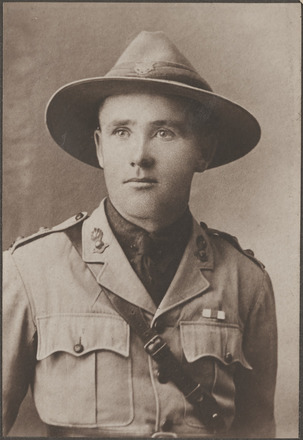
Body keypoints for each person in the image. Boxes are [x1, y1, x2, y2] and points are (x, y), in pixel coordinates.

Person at [3, 31, 277, 438]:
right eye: (121, 132)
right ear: (99, 148)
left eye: (164, 132)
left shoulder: (245, 282)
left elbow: (258, 430)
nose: (139, 156)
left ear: (203, 150)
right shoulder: (30, 271)